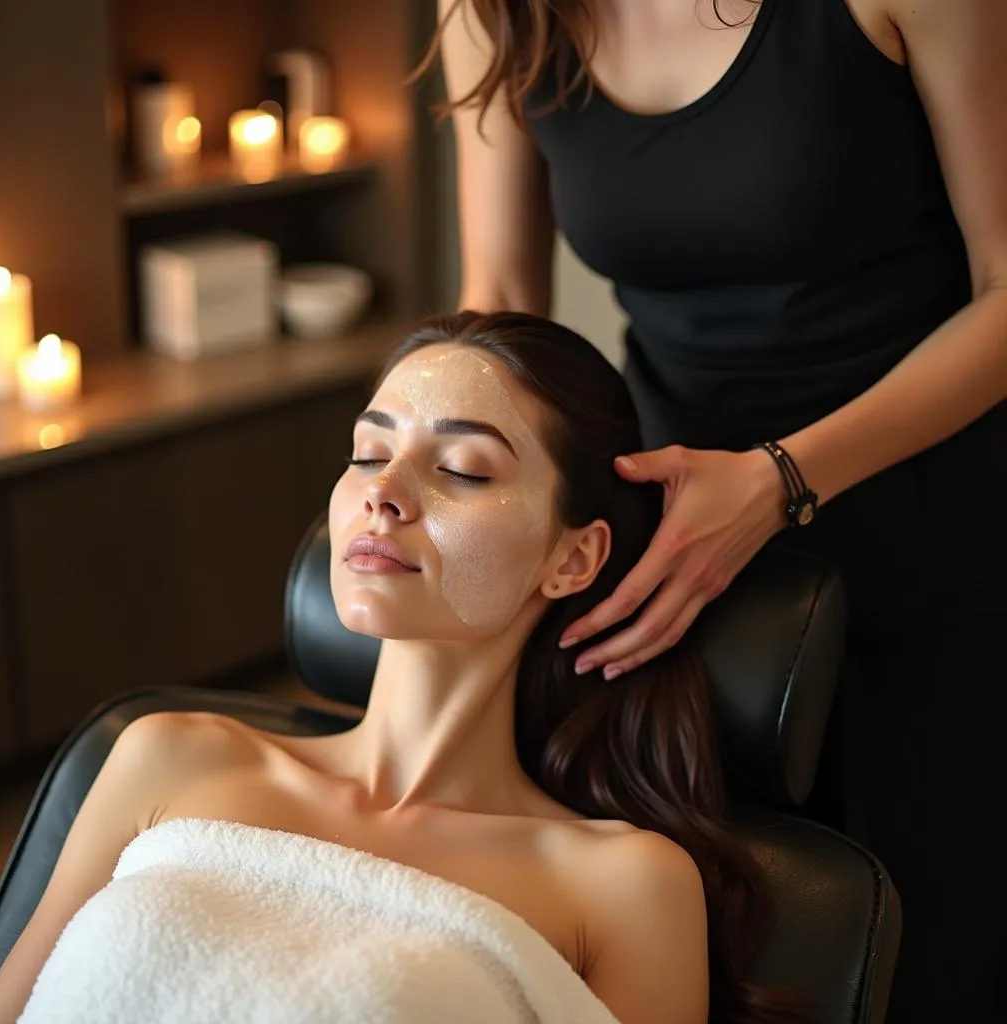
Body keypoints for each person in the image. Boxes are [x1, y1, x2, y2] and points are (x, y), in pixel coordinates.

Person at [429, 1, 1007, 1018]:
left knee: (934, 948)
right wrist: (428, 471)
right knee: (735, 944)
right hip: (679, 555)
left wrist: (782, 478)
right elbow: (502, 297)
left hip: (925, 522)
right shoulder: (497, 10)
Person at [0, 312, 808, 1024]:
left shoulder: (625, 887)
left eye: (462, 469)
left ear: (574, 558)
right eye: (367, 453)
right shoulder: (167, 756)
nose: (384, 492)